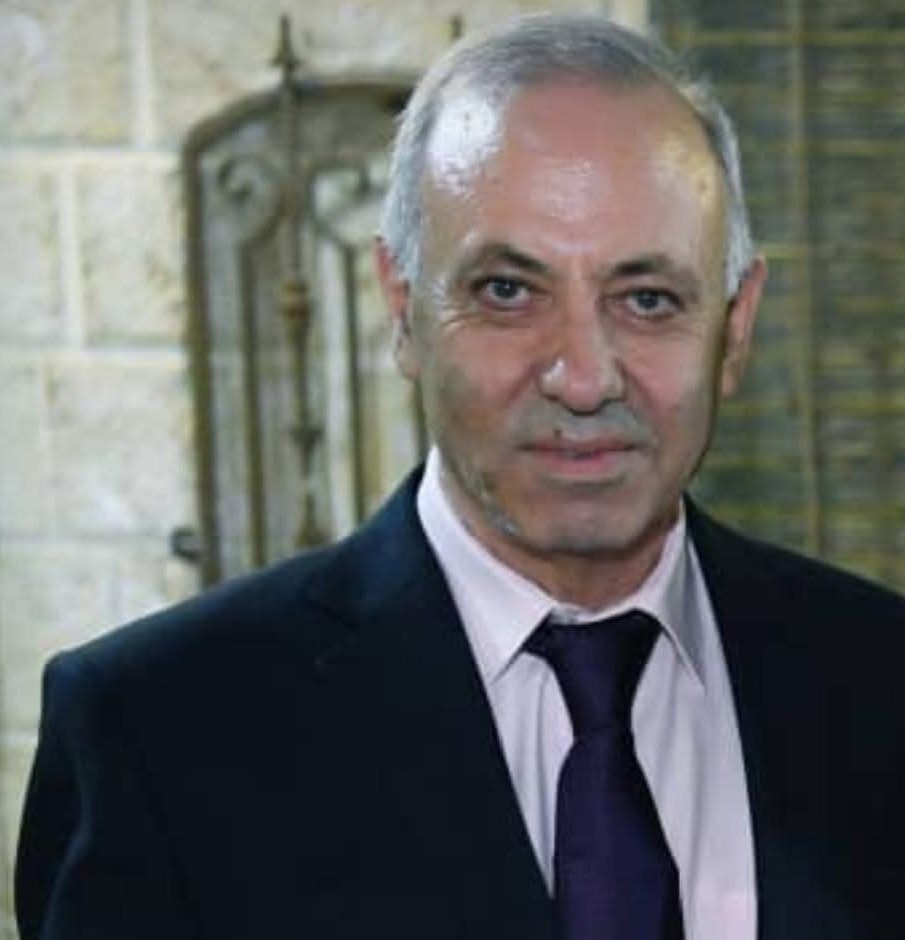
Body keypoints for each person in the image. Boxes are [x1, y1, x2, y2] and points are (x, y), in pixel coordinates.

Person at [15, 13, 905, 940]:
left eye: (647, 299)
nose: (583, 378)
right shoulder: (160, 738)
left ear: (736, 325)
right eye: (507, 293)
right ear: (403, 308)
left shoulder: (879, 683)